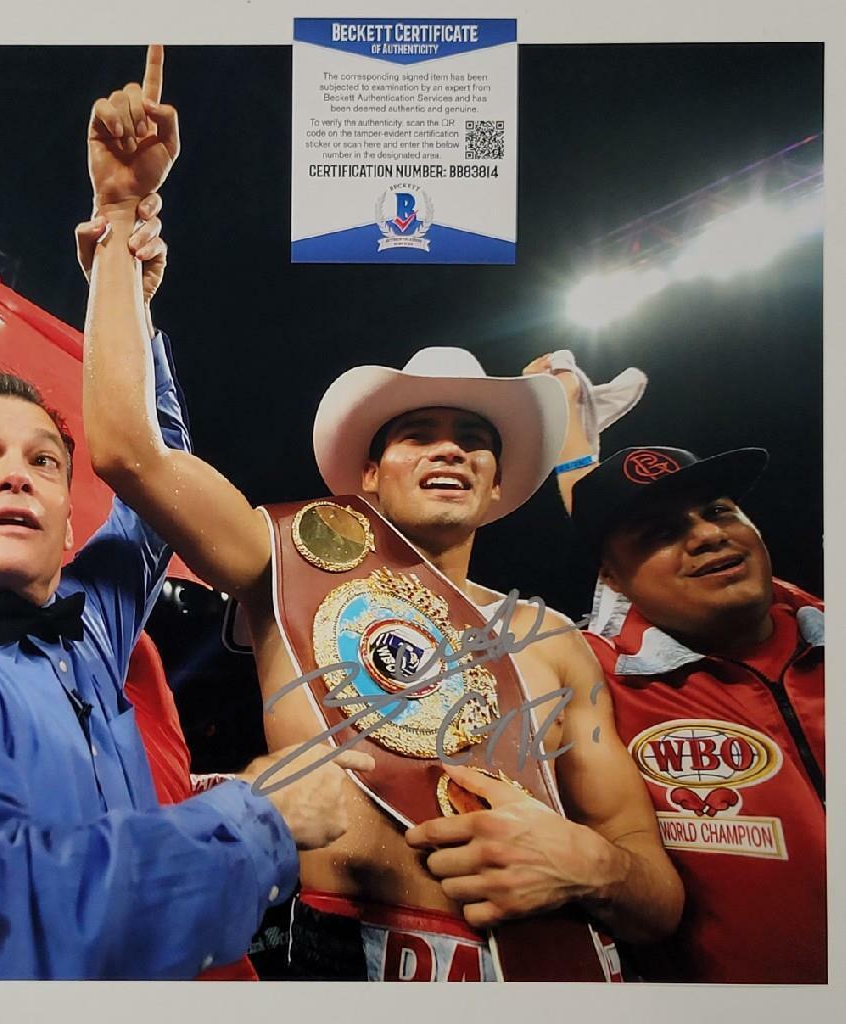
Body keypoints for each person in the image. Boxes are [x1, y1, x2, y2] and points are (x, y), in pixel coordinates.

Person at [81, 46, 681, 982]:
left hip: (542, 970)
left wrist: (594, 866)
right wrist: (121, 217)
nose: (449, 448)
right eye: (418, 432)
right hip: (326, 953)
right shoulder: (283, 557)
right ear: (364, 475)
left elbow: (655, 895)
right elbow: (126, 448)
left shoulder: (551, 640)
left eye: (472, 437)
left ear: (496, 482)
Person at [0, 53, 372, 981]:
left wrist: (123, 250)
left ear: (66, 519)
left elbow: (151, 457)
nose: (15, 473)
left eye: (44, 461)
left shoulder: (88, 628)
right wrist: (264, 818)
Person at [526, 353, 825, 983]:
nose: (707, 536)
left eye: (718, 511)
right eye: (661, 532)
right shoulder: (597, 682)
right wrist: (566, 446)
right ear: (610, 577)